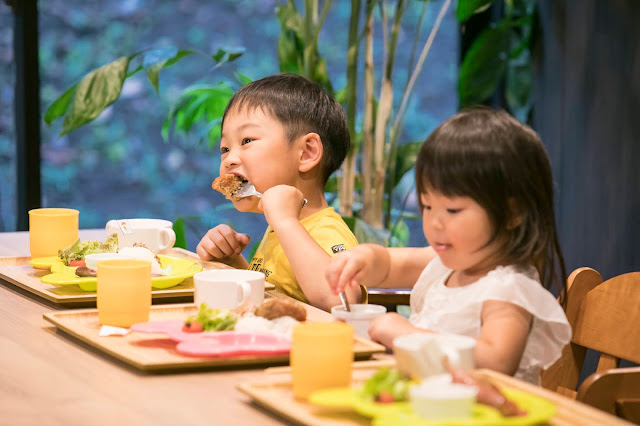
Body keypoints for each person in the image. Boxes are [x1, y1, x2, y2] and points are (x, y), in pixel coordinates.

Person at [325, 107, 571, 384]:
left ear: (513, 214)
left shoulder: (508, 288)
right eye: (428, 206)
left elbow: (496, 360)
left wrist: (407, 335)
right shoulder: (446, 263)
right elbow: (390, 264)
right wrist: (362, 258)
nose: (434, 223)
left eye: (453, 210)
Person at [197, 73, 362, 311]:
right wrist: (232, 264)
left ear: (306, 153)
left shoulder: (324, 230)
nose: (229, 160)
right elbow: (275, 300)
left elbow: (342, 301)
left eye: (247, 140)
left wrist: (285, 221)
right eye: (225, 148)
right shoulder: (280, 229)